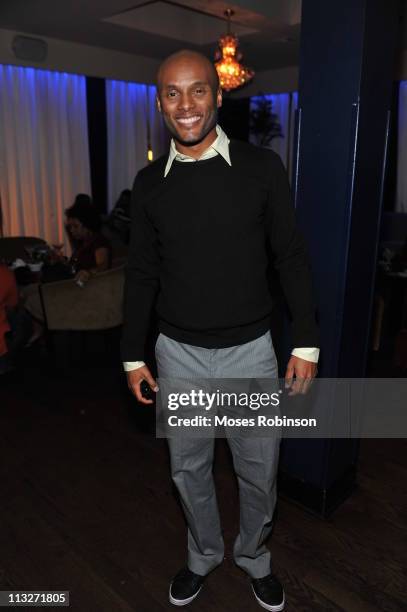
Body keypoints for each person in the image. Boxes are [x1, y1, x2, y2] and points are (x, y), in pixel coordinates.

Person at [121, 49, 319, 610]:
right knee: (188, 471)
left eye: (198, 91)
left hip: (251, 356)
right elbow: (140, 274)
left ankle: (255, 557)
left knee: (259, 473)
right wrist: (131, 355)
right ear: (159, 102)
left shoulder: (261, 169)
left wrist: (305, 340)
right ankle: (203, 556)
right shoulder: (149, 183)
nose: (186, 105)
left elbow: (291, 258)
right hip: (178, 357)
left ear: (219, 93)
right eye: (172, 94)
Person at [64, 201, 112, 285]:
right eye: (70, 226)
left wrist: (88, 273)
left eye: (75, 226)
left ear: (88, 224)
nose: (71, 230)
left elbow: (103, 265)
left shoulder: (98, 240)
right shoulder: (82, 242)